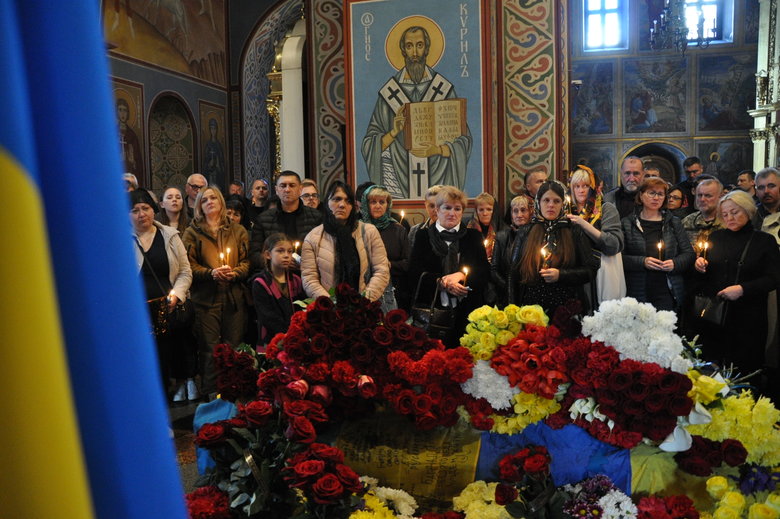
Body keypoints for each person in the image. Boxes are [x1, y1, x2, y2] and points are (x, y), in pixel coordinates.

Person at [361, 25, 472, 199]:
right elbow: (369, 144)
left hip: (439, 178)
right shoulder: (388, 93)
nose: (414, 52)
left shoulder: (443, 89)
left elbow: (463, 141)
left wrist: (438, 149)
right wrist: (394, 132)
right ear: (403, 50)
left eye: (419, 45)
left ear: (427, 48)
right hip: (399, 179)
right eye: (409, 46)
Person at [693, 190, 780, 394]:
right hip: (716, 316)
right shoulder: (716, 237)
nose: (729, 218)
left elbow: (774, 278)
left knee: (746, 371)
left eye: (735, 212)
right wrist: (699, 265)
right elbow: (705, 276)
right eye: (724, 214)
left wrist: (743, 289)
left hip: (748, 319)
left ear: (748, 211)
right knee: (714, 371)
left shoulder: (764, 241)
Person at [182, 187, 250, 397]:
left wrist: (235, 273)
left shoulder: (237, 231)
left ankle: (235, 392)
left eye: (214, 198)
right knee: (210, 349)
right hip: (206, 299)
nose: (210, 202)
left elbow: (247, 262)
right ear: (199, 206)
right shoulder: (192, 232)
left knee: (234, 346)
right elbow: (188, 266)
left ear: (221, 202)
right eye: (204, 200)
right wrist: (210, 273)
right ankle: (212, 396)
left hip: (233, 297)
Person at [129, 189, 195, 401]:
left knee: (164, 357)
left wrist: (178, 295)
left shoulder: (169, 235)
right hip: (135, 312)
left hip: (166, 310)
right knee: (139, 360)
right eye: (135, 210)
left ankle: (164, 403)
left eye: (146, 208)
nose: (141, 214)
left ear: (154, 210)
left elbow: (185, 271)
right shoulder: (119, 238)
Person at [407, 186, 490, 346]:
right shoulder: (423, 236)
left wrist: (461, 277)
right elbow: (414, 273)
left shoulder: (472, 236)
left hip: (466, 311)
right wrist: (441, 282)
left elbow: (484, 272)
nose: (452, 213)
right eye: (447, 208)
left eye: (457, 209)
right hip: (433, 311)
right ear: (437, 210)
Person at [506, 181, 599, 316]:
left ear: (563, 204)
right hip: (532, 309)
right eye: (546, 200)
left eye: (556, 201)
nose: (551, 205)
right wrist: (512, 310)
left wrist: (561, 275)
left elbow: (590, 270)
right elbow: (513, 273)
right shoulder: (526, 231)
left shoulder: (574, 231)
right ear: (538, 202)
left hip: (567, 309)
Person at [301, 181, 390, 302]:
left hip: (364, 307)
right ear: (327, 202)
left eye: (348, 201)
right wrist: (330, 304)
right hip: (329, 310)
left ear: (353, 207)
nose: (342, 205)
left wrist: (365, 301)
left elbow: (381, 269)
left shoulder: (369, 231)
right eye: (337, 199)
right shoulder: (313, 238)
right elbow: (309, 278)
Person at [621, 178, 695, 312]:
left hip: (666, 289)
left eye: (660, 194)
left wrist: (675, 263)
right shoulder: (627, 223)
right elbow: (620, 258)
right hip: (637, 289)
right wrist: (642, 262)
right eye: (651, 193)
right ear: (641, 195)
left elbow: (688, 254)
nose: (656, 198)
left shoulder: (674, 222)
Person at [567, 166, 625, 305]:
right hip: (574, 272)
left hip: (602, 272)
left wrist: (584, 224)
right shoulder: (567, 210)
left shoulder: (606, 208)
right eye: (577, 186)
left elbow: (613, 245)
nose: (581, 190)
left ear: (593, 188)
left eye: (586, 186)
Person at [249, 171, 322, 273]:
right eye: (283, 186)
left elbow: (323, 252)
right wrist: (277, 262)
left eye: (292, 185)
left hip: (307, 276)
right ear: (276, 190)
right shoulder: (263, 219)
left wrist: (304, 263)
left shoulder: (316, 217)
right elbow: (254, 254)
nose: (287, 190)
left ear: (300, 189)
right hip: (274, 276)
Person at [360, 184, 410, 311]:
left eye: (382, 202)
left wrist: (387, 265)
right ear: (366, 204)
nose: (378, 206)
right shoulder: (358, 228)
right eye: (373, 202)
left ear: (388, 204)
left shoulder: (398, 229)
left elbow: (408, 263)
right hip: (362, 289)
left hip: (393, 289)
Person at [251, 233, 305, 348]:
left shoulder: (296, 280)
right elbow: (268, 317)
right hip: (272, 340)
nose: (286, 255)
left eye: (290, 251)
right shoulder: (261, 283)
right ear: (267, 254)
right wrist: (288, 334)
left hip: (295, 339)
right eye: (280, 251)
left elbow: (301, 310)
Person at [492, 195, 533, 307]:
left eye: (523, 210)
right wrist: (509, 287)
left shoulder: (536, 236)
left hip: (530, 293)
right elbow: (494, 269)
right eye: (515, 211)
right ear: (511, 215)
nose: (519, 215)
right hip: (506, 294)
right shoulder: (501, 236)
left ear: (530, 212)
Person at [681, 178, 724, 246]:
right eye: (699, 195)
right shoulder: (687, 222)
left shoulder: (728, 222)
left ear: (721, 196)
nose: (702, 199)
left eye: (708, 195)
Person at [408, 184, 443, 248]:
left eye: (439, 205)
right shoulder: (415, 230)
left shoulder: (457, 231)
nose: (436, 210)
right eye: (432, 206)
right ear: (426, 206)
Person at [466, 192, 498, 262]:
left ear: (494, 211)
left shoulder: (502, 230)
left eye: (489, 209)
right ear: (476, 211)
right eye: (481, 210)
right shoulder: (468, 230)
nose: (485, 213)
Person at [117, 98, 142, 177]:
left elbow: (138, 163)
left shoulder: (132, 136)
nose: (123, 113)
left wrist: (132, 161)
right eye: (120, 110)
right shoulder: (112, 134)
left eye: (125, 110)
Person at [203, 118, 226, 187]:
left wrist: (218, 165)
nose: (213, 131)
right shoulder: (208, 145)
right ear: (209, 130)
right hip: (210, 174)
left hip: (218, 174)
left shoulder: (219, 145)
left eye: (214, 129)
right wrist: (209, 164)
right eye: (211, 128)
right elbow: (205, 162)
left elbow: (222, 162)